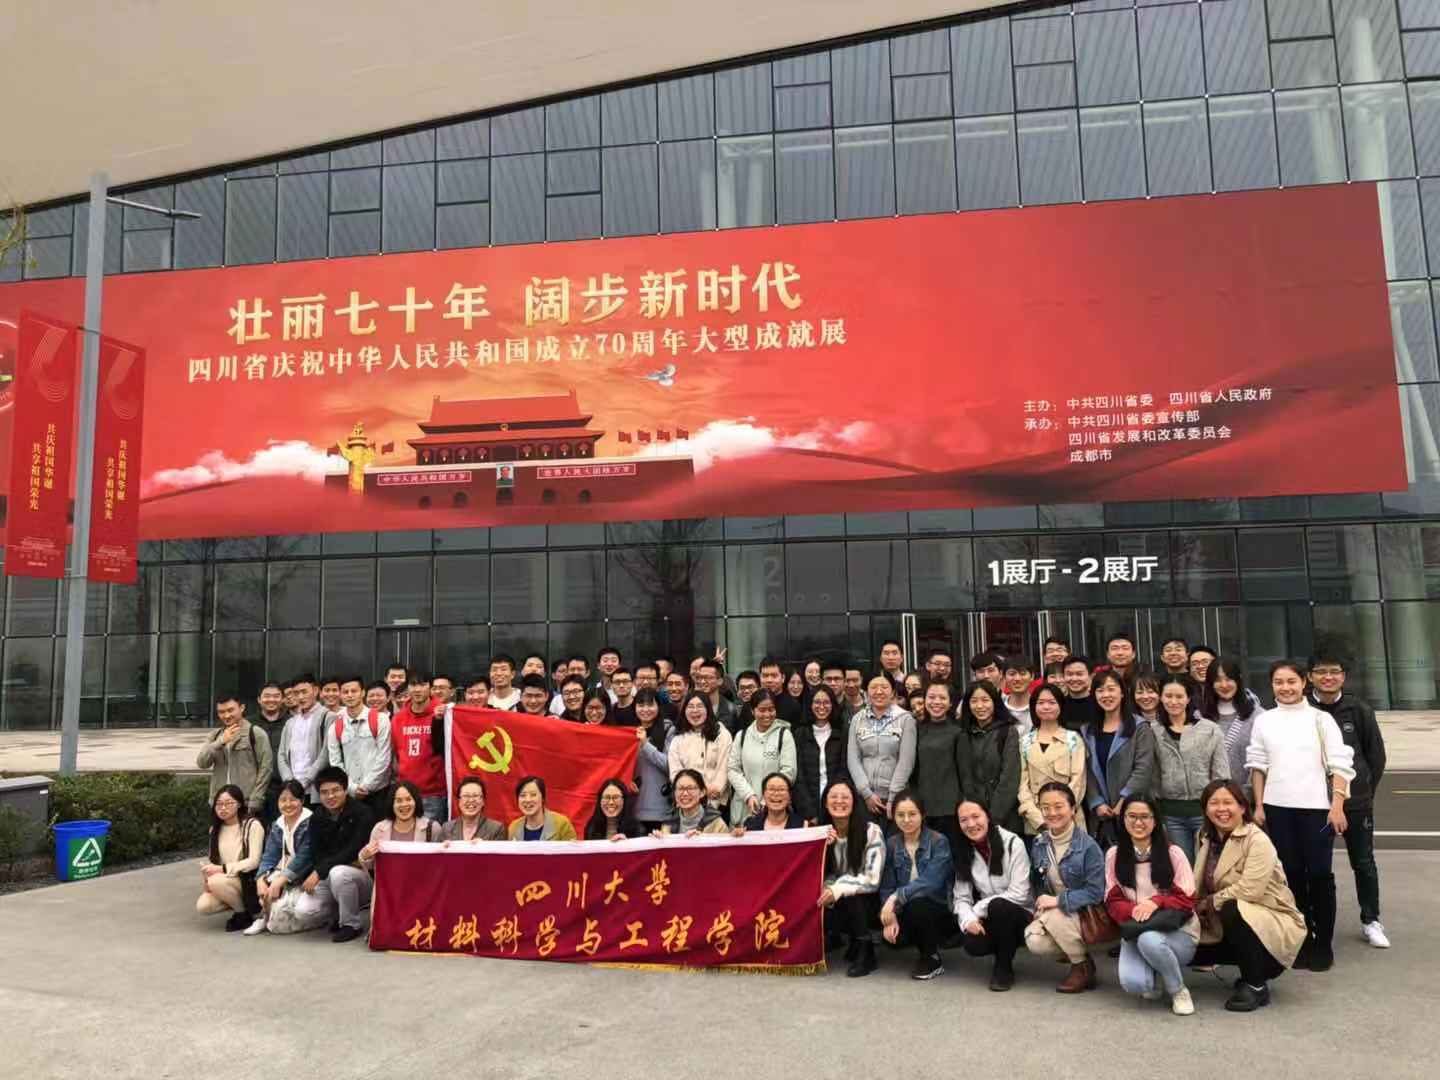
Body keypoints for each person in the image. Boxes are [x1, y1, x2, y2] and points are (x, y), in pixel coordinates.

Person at [1246, 659, 1355, 972]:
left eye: (1291, 681)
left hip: (1317, 809)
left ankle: (1323, 944)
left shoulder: (1321, 719)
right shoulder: (1265, 721)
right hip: (1277, 809)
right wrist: (1259, 805)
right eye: (1279, 682)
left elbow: (1340, 764)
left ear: (1304, 683)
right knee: (1290, 875)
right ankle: (1302, 939)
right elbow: (1258, 765)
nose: (1286, 688)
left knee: (1319, 876)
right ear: (1272, 686)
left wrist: (1337, 806)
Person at [1191, 779, 1308, 1011]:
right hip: (1222, 921)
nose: (1221, 809)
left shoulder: (1257, 840)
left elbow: (1250, 890)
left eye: (1228, 802)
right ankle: (1248, 969)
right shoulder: (1204, 836)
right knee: (1184, 951)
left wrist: (1208, 902)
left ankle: (1255, 985)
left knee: (1233, 906)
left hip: (1268, 921)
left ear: (1243, 807)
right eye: (1214, 803)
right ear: (1205, 808)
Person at [1307, 653, 1389, 948]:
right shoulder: (1304, 709)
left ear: (1343, 676)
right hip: (1315, 803)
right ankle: (1313, 922)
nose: (1328, 677)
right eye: (1321, 671)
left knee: (1364, 862)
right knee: (1316, 865)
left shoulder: (1359, 709)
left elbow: (1375, 756)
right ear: (1310, 677)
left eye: (1334, 671)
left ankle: (1371, 920)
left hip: (1355, 803)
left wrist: (1364, 790)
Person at [1104, 795, 1199, 1015]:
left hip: (1177, 931)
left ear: (1155, 820)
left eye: (1145, 817)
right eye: (1132, 816)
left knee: (1149, 940)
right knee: (1135, 984)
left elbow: (1187, 899)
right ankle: (1157, 972)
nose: (1138, 822)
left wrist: (1155, 902)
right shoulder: (1114, 855)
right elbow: (1112, 900)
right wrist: (1136, 911)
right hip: (1136, 927)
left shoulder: (1173, 854)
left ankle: (1178, 990)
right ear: (1123, 819)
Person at [1024, 782, 1106, 992]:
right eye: (1045, 807)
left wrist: (1058, 901)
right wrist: (1040, 904)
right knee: (1034, 940)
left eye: (1058, 806)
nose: (1052, 813)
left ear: (1073, 809)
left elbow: (1096, 893)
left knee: (1053, 916)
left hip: (1085, 912)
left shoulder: (1088, 847)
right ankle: (1078, 954)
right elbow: (1038, 882)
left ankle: (1081, 966)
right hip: (1056, 911)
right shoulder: (1039, 843)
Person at [952, 799, 1033, 991]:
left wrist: (979, 908)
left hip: (1021, 913)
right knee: (973, 944)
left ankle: (1003, 967)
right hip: (991, 914)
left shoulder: (1012, 843)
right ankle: (1003, 947)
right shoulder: (963, 849)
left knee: (999, 906)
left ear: (987, 816)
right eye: (964, 820)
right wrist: (969, 919)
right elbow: (961, 897)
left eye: (976, 816)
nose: (971, 824)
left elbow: (1020, 893)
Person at [1150, 674, 1228, 862]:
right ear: (1161, 697)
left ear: (1188, 698)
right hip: (1171, 814)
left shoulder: (1209, 729)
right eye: (1168, 696)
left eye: (1179, 696)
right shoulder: (1152, 731)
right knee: (1183, 865)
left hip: (1205, 811)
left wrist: (1219, 806)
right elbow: (1151, 775)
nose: (1173, 701)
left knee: (1209, 864)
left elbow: (1221, 774)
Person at [878, 791, 954, 980]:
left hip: (937, 908)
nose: (906, 820)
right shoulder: (891, 844)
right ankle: (919, 941)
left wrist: (895, 898)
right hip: (906, 907)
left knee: (918, 903)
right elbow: (887, 885)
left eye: (912, 814)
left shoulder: (939, 841)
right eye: (900, 815)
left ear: (923, 815)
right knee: (893, 940)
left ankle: (931, 957)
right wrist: (889, 917)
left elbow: (931, 882)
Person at [817, 778, 885, 977]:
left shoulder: (871, 831)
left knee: (853, 893)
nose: (839, 801)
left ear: (854, 802)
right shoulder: (820, 832)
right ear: (825, 802)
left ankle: (866, 949)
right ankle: (832, 939)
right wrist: (821, 848)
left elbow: (872, 880)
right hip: (834, 900)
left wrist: (837, 889)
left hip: (870, 902)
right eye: (833, 797)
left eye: (845, 797)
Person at [1081, 670, 1154, 848]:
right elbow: (1087, 771)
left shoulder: (1139, 727)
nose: (1106, 695)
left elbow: (1143, 768)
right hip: (1101, 816)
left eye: (1111, 689)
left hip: (1134, 809)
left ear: (1122, 693)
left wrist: (1124, 801)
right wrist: (1097, 802)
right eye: (1100, 690)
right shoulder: (1087, 730)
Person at [305, 765, 375, 943]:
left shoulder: (362, 813)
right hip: (329, 874)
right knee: (304, 910)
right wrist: (320, 871)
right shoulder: (317, 817)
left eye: (335, 790)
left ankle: (351, 924)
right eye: (324, 792)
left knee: (339, 873)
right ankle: (337, 913)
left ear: (345, 789)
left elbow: (353, 850)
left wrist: (320, 871)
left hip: (361, 878)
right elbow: (316, 853)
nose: (330, 796)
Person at [248, 780, 323, 936]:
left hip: (309, 875)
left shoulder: (312, 822)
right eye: (283, 800)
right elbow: (269, 855)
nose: (288, 804)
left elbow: (305, 857)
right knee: (268, 893)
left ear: (302, 800)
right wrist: (260, 879)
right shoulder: (278, 824)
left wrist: (280, 881)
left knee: (282, 923)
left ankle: (326, 916)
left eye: (293, 799)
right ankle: (265, 916)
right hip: (287, 873)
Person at [846, 673, 917, 827]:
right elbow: (853, 759)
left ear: (893, 692)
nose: (879, 691)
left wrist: (893, 797)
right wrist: (866, 793)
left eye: (884, 687)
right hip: (864, 798)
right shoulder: (857, 719)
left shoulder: (905, 719)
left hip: (896, 797)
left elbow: (906, 761)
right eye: (873, 687)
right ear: (866, 692)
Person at [1017, 685, 1087, 836]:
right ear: (1033, 707)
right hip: (1036, 821)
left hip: (1070, 819)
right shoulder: (1025, 741)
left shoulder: (1073, 739)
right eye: (1041, 703)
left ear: (1060, 706)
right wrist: (1038, 818)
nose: (1046, 707)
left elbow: (1078, 781)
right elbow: (1022, 785)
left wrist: (1060, 812)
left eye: (1052, 702)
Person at [196, 784, 266, 932]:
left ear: (239, 804)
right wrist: (207, 877)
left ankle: (242, 915)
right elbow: (213, 861)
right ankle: (241, 908)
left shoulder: (252, 825)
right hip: (225, 878)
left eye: (228, 803)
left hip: (248, 879)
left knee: (216, 881)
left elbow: (254, 861)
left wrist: (221, 870)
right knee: (204, 906)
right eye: (219, 804)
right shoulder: (215, 829)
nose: (223, 808)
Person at [955, 681, 1022, 834]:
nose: (980, 706)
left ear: (995, 702)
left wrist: (993, 818)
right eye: (974, 701)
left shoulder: (1008, 732)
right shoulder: (963, 734)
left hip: (1005, 817)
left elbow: (1010, 778)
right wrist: (976, 814)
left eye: (985, 700)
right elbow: (965, 778)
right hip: (974, 818)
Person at [326, 676, 392, 822]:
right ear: (340, 695)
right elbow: (335, 762)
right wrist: (351, 787)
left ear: (362, 693)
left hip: (379, 792)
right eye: (345, 692)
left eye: (354, 691)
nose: (349, 695)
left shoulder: (380, 719)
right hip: (351, 794)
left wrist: (367, 786)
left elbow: (384, 756)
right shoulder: (335, 726)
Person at [197, 694, 273, 817]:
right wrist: (220, 742)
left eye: (230, 710)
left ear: (241, 708)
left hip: (245, 802)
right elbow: (202, 763)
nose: (226, 715)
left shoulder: (256, 733)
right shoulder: (215, 736)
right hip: (220, 803)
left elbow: (266, 768)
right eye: (221, 712)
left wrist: (256, 798)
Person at [728, 690, 798, 823]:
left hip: (776, 806)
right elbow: (733, 769)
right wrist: (748, 795)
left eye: (771, 709)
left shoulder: (784, 735)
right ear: (752, 711)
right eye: (762, 710)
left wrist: (768, 799)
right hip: (744, 806)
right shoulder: (741, 736)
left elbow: (788, 771)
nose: (767, 714)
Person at [391, 672, 448, 823]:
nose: (417, 689)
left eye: (422, 685)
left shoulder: (443, 714)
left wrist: (439, 720)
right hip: (406, 793)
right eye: (413, 685)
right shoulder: (398, 719)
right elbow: (397, 754)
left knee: (430, 835)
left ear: (430, 688)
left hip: (434, 794)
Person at [1201, 657, 1261, 802]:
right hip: (1210, 801)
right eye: (1218, 680)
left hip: (1247, 801)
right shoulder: (1199, 717)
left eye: (1229, 679)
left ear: (1238, 680)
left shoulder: (1258, 716)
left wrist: (1246, 795)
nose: (1224, 685)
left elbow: (1260, 761)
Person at [912, 680, 961, 852]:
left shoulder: (958, 731)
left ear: (951, 703)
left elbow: (964, 772)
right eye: (931, 697)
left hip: (950, 808)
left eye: (942, 698)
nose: (936, 702)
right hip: (922, 805)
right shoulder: (917, 729)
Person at [668, 691, 734, 816]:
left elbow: (724, 766)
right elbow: (675, 772)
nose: (695, 711)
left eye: (699, 706)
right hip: (687, 802)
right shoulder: (678, 739)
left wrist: (714, 790)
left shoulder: (722, 734)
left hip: (716, 802)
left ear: (708, 709)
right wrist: (692, 792)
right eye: (690, 706)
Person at [793, 685, 848, 824]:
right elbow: (798, 776)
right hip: (806, 807)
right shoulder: (800, 734)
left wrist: (833, 802)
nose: (821, 706)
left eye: (826, 702)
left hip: (836, 804)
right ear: (810, 705)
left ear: (833, 705)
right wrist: (809, 812)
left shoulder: (842, 734)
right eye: (817, 702)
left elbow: (843, 771)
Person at [359, 780, 440, 873]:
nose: (404, 804)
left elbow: (439, 866)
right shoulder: (379, 829)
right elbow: (371, 867)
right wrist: (365, 856)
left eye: (408, 799)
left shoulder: (432, 828)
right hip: (389, 882)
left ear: (416, 801)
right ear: (392, 804)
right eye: (399, 801)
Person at [276, 674, 328, 802]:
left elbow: (325, 754)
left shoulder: (327, 716)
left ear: (315, 691)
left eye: (304, 692)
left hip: (316, 789)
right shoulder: (290, 722)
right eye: (296, 693)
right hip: (293, 790)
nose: (300, 697)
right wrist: (289, 782)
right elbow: (281, 754)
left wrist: (306, 780)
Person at [630, 689, 673, 831]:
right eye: (641, 705)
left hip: (661, 808)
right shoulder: (629, 731)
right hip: (634, 807)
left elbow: (670, 765)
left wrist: (645, 744)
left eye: (650, 705)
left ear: (658, 706)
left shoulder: (668, 729)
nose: (645, 709)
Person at [252, 682, 288, 824]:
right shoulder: (249, 724)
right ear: (259, 699)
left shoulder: (291, 722)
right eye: (267, 696)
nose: (271, 700)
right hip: (255, 787)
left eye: (276, 696)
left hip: (282, 786)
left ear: (283, 699)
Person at [656, 769, 729, 835]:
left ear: (702, 792)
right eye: (680, 789)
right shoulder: (669, 822)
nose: (685, 793)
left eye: (690, 788)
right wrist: (659, 841)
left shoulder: (716, 823)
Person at [508, 775, 577, 841]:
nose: (528, 800)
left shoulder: (562, 824)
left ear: (543, 798)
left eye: (533, 795)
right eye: (523, 795)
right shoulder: (513, 828)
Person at [440, 775, 506, 842]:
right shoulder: (447, 829)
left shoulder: (496, 829)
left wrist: (485, 846)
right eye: (466, 796)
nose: (471, 800)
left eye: (475, 795)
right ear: (459, 801)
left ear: (483, 801)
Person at [737, 772, 806, 832]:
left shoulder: (802, 825)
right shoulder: (750, 825)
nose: (776, 794)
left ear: (790, 796)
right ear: (763, 795)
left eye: (781, 789)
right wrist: (736, 837)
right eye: (771, 789)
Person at [1059, 656, 1100, 732]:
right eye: (1069, 674)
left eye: (1079, 674)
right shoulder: (1058, 705)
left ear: (1091, 676)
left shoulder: (1100, 704)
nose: (1074, 679)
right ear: (1063, 676)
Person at [1002, 657, 1034, 732]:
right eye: (1012, 674)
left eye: (1022, 673)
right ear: (1004, 677)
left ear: (1032, 676)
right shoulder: (998, 707)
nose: (1017, 678)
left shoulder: (1041, 706)